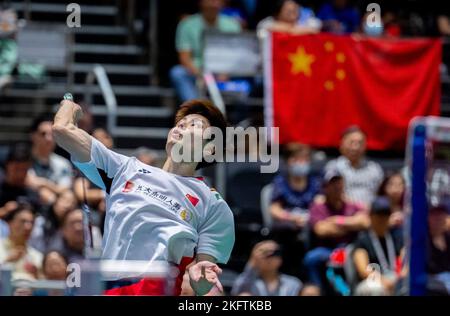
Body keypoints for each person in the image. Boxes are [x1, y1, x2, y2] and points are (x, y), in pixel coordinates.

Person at [52, 98, 235, 296]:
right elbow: (62, 131)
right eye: (179, 124)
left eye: (194, 125)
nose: (181, 127)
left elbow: (201, 278)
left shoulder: (212, 204)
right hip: (109, 289)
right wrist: (70, 105)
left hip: (156, 288)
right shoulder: (124, 169)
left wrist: (201, 280)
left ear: (210, 148)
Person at [303, 170, 369, 291]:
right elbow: (321, 230)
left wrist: (337, 220)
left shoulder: (352, 204)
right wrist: (351, 225)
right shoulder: (318, 207)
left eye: (339, 183)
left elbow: (365, 222)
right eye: (332, 183)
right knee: (312, 258)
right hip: (328, 249)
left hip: (351, 248)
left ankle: (350, 292)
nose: (336, 187)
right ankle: (317, 292)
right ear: (325, 187)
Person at [170, 0, 241, 102]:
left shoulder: (233, 25)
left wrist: (226, 73)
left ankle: (241, 117)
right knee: (177, 73)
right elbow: (184, 57)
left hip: (227, 72)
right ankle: (197, 109)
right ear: (201, 2)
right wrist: (200, 75)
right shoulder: (187, 24)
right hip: (197, 71)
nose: (214, 3)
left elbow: (238, 56)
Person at [352, 197, 404, 296]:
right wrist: (384, 281)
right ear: (371, 216)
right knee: (376, 290)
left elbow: (405, 261)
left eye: (386, 215)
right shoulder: (362, 239)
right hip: (372, 280)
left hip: (394, 277)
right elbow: (363, 270)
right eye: (378, 215)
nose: (382, 219)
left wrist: (400, 278)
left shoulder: (396, 236)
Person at [324, 125, 384, 208]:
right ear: (341, 144)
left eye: (360, 143)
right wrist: (358, 207)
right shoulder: (334, 167)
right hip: (343, 214)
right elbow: (332, 194)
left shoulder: (375, 169)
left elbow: (381, 195)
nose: (355, 147)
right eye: (351, 142)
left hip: (371, 214)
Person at [28, 116, 73, 205]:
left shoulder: (63, 163)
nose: (49, 139)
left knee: (69, 196)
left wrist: (44, 183)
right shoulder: (24, 161)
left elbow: (64, 189)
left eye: (52, 134)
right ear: (33, 136)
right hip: (30, 204)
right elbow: (30, 183)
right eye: (43, 134)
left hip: (58, 206)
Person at [231, 240, 303, 296]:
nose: (270, 257)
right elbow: (237, 292)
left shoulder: (293, 283)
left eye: (275, 253)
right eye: (265, 253)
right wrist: (252, 263)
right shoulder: (248, 281)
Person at [0, 143, 41, 237]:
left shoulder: (31, 191)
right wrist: (4, 211)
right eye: (16, 169)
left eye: (24, 170)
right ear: (7, 166)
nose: (20, 174)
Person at [0, 203, 43, 281]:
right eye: (23, 221)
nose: (28, 227)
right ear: (10, 223)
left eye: (32, 223)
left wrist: (38, 275)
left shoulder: (37, 257)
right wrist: (7, 261)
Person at [426, 205, 450, 295]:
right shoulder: (422, 241)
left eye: (441, 215)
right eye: (435, 215)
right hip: (432, 281)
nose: (439, 219)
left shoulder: (447, 237)